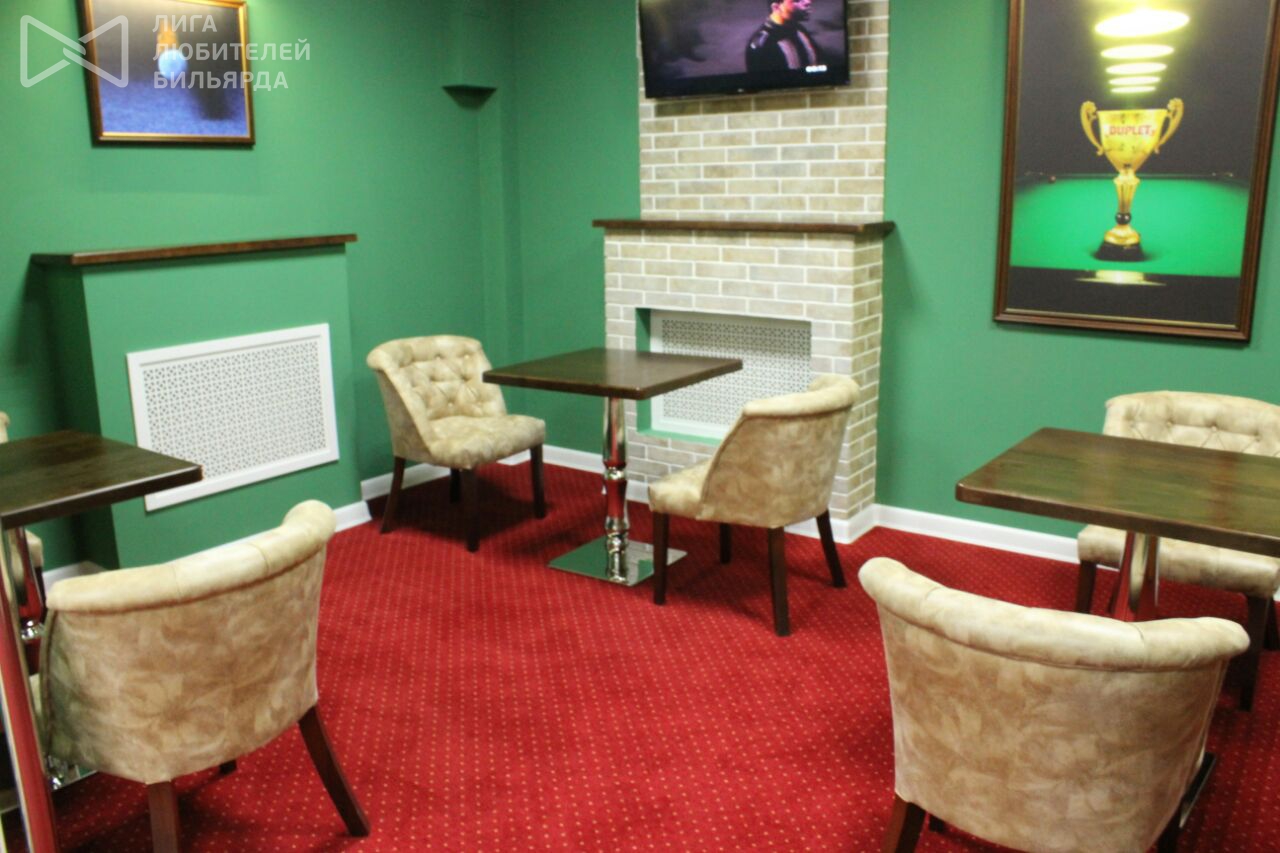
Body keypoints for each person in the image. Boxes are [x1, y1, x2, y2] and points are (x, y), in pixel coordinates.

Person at [745, 0, 822, 73]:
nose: (808, 1)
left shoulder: (799, 29)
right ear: (776, 7)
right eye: (797, 0)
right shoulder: (762, 45)